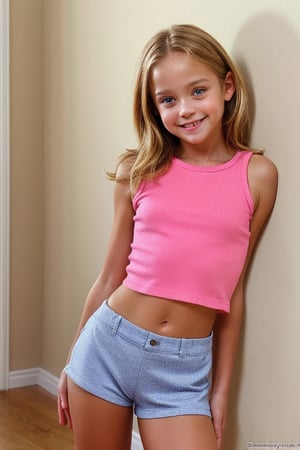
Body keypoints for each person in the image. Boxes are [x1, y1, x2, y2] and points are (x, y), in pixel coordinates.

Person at [57, 24, 278, 450]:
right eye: (168, 99)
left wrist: (219, 390)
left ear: (227, 86)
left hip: (182, 373)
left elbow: (232, 293)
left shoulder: (258, 177)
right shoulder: (137, 172)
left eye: (198, 91)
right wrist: (71, 360)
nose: (186, 109)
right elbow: (108, 279)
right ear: (154, 106)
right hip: (107, 349)